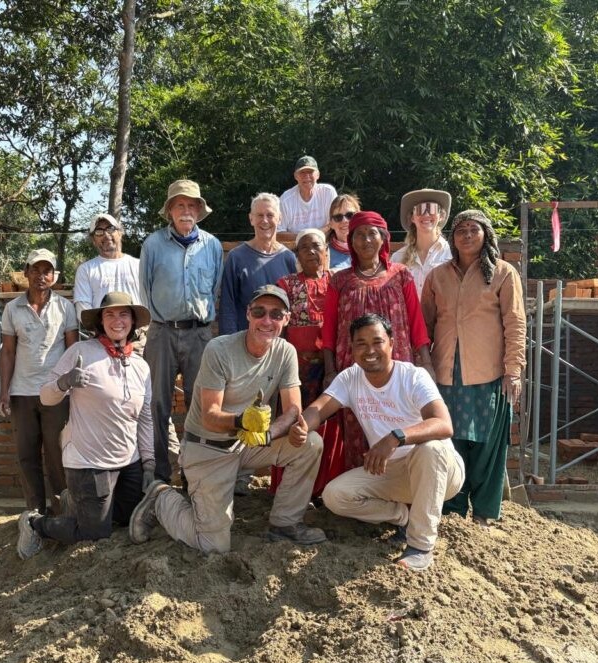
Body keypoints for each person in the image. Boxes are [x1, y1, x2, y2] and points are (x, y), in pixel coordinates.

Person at [128, 285, 326, 554]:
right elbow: (210, 417)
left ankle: (285, 524)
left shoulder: (285, 351)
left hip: (247, 445)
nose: (267, 321)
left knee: (310, 443)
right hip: (208, 447)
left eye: (276, 314)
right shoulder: (219, 349)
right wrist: (243, 421)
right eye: (260, 312)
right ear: (248, 314)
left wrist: (268, 433)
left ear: (287, 319)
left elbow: (293, 410)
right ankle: (161, 497)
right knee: (213, 545)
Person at [290, 314, 464, 570]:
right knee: (335, 496)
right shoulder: (351, 378)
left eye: (377, 341)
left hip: (441, 471)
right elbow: (320, 408)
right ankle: (405, 518)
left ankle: (420, 546)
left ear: (391, 344)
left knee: (431, 447)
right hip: (392, 472)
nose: (369, 350)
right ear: (352, 349)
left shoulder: (413, 377)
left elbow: (443, 425)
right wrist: (302, 426)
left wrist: (396, 437)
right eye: (361, 344)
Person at [16, 292, 154, 559]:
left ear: (133, 322)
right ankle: (35, 523)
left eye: (124, 314)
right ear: (100, 322)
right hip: (89, 462)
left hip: (128, 462)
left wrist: (148, 462)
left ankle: (76, 502)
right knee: (94, 531)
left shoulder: (141, 365)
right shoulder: (80, 352)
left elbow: (145, 416)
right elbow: (46, 396)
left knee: (127, 519)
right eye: (110, 314)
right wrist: (64, 382)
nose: (117, 320)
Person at [422, 210, 526, 527]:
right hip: (445, 375)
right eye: (460, 230)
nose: (467, 235)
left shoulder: (504, 274)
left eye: (474, 230)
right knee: (449, 442)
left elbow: (515, 323)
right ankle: (451, 511)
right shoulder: (437, 276)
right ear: (452, 239)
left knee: (487, 446)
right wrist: (422, 366)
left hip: (489, 374)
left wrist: (513, 370)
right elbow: (423, 327)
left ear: (486, 236)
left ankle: (484, 513)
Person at [322, 211, 433, 469]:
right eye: (359, 234)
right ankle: (360, 491)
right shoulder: (339, 280)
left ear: (384, 238)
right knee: (357, 423)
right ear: (350, 241)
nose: (366, 240)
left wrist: (425, 362)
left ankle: (402, 485)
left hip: (396, 363)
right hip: (353, 365)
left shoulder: (401, 275)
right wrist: (330, 370)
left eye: (372, 233)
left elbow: (416, 322)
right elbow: (328, 329)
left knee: (400, 417)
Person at [139, 180, 223, 484]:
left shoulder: (212, 246)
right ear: (170, 211)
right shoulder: (152, 244)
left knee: (200, 404)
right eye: (180, 205)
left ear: (199, 211)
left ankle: (194, 474)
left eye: (192, 205)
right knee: (157, 404)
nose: (186, 211)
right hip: (161, 332)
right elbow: (145, 292)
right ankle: (161, 474)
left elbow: (214, 290)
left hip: (199, 334)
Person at [0, 248, 78, 515]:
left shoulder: (65, 308)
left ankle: (62, 512)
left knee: (57, 454)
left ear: (54, 276)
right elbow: (7, 351)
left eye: (47, 271)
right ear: (26, 273)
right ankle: (33, 514)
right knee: (27, 455)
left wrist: (68, 389)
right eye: (35, 270)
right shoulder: (12, 309)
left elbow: (72, 351)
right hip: (22, 393)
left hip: (54, 393)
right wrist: (4, 390)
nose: (41, 276)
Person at [270, 229, 344, 497]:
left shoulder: (339, 281)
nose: (311, 252)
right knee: (294, 422)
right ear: (297, 255)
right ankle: (289, 488)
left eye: (317, 246)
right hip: (296, 369)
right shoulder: (286, 284)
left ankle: (324, 488)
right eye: (304, 248)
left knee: (329, 424)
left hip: (333, 366)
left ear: (327, 251)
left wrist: (333, 367)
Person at [218, 192, 296, 335]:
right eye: (260, 215)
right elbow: (227, 307)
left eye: (270, 215)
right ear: (251, 219)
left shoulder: (289, 258)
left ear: (279, 219)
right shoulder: (236, 258)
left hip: (280, 345)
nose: (265, 220)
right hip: (245, 344)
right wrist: (228, 345)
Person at [73, 213, 142, 317]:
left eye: (110, 229)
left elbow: (151, 302)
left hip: (139, 331)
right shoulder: (85, 270)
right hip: (101, 332)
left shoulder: (139, 266)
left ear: (120, 233)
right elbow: (83, 310)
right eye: (99, 232)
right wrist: (102, 331)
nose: (106, 235)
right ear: (93, 240)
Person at [390, 189, 452, 298]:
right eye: (420, 209)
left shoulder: (452, 254)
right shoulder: (397, 258)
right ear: (412, 217)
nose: (426, 214)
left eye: (432, 208)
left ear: (441, 215)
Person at [278, 156, 337, 236]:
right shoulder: (285, 200)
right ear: (295, 176)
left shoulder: (328, 192)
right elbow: (279, 232)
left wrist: (314, 236)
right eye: (302, 172)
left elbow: (337, 221)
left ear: (318, 175)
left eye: (310, 172)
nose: (307, 176)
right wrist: (304, 238)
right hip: (295, 246)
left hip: (325, 243)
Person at [326, 193, 360, 272]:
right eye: (338, 217)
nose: (345, 221)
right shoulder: (324, 254)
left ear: (359, 217)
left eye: (350, 215)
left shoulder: (369, 248)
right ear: (331, 223)